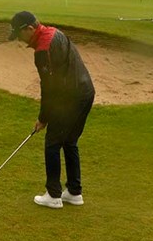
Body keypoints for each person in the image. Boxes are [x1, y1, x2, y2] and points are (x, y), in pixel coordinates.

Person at [8, 11, 95, 209]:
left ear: (29, 29)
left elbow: (49, 88)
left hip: (70, 99)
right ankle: (74, 192)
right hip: (86, 92)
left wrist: (43, 118)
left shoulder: (42, 50)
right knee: (70, 142)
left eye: (19, 35)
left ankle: (54, 195)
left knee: (52, 143)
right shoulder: (55, 32)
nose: (20, 41)